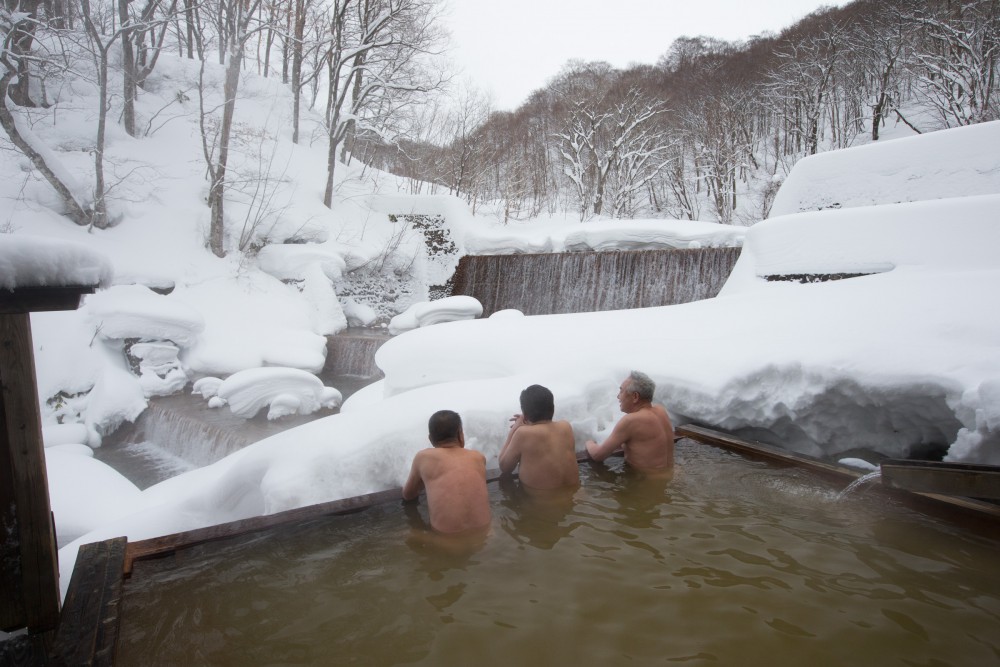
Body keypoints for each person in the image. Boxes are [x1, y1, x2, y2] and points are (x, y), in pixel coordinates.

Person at [402, 410, 492, 534]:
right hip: (485, 534)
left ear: (431, 439)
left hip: (445, 538)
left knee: (409, 535)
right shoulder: (478, 457)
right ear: (460, 434)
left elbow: (408, 494)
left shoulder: (423, 458)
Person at [585, 371, 674, 471]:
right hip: (670, 474)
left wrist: (589, 442)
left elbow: (598, 455)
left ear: (635, 397)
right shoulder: (661, 411)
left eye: (621, 391)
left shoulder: (631, 421)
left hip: (645, 479)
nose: (618, 396)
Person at [498, 384, 579, 490]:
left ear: (525, 415)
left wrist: (514, 429)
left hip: (541, 499)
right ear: (553, 408)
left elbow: (504, 466)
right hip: (573, 495)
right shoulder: (566, 427)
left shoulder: (522, 434)